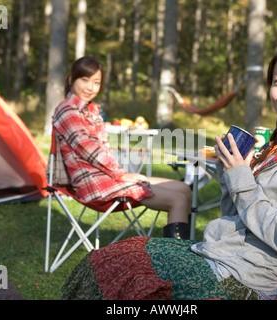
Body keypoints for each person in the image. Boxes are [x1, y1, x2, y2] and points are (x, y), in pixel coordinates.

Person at [61, 41, 277, 300]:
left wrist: (242, 177)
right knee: (106, 260)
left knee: (129, 276)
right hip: (215, 255)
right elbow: (233, 217)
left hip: (245, 280)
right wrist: (230, 173)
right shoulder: (274, 147)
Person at [51, 56, 191, 239]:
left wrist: (119, 175)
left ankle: (188, 251)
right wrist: (121, 175)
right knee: (177, 199)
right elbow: (87, 148)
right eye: (84, 80)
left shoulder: (90, 110)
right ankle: (177, 263)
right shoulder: (67, 110)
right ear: (71, 80)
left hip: (108, 178)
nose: (90, 87)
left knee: (183, 189)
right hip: (94, 185)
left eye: (96, 82)